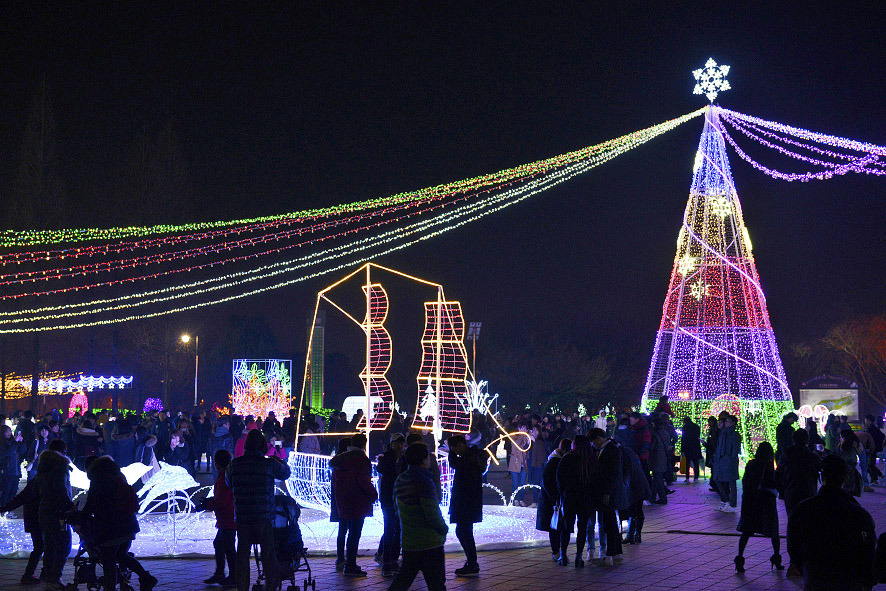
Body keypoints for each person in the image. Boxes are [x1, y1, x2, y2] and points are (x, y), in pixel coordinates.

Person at [787, 455, 876, 591]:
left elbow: (793, 545)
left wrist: (806, 567)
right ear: (845, 478)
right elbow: (868, 549)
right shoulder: (858, 513)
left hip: (815, 575)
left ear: (822, 477)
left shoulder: (803, 509)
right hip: (849, 577)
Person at [225, 429, 291, 591]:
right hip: (264, 516)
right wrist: (278, 459)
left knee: (242, 555)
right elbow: (286, 474)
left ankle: (242, 586)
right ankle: (271, 586)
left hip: (243, 516)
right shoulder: (268, 464)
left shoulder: (235, 464)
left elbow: (229, 483)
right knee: (268, 554)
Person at [80, 456, 157, 591]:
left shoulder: (98, 481)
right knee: (121, 555)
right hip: (129, 525)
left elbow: (90, 506)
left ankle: (110, 588)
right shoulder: (119, 478)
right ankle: (146, 578)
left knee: (108, 561)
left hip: (111, 528)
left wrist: (79, 518)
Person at [387, 443, 448, 591]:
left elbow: (396, 509)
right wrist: (443, 528)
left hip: (409, 540)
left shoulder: (400, 480)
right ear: (424, 460)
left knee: (403, 580)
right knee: (437, 583)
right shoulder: (424, 482)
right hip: (430, 542)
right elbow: (432, 511)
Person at [329, 432, 377, 577]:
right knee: (355, 534)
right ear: (364, 444)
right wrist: (373, 495)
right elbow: (363, 481)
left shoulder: (339, 460)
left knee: (346, 532)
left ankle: (345, 562)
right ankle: (351, 564)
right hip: (358, 501)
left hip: (343, 501)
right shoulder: (361, 460)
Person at [734, 442, 781, 572]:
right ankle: (776, 558)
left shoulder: (751, 464)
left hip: (750, 501)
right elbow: (772, 483)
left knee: (747, 532)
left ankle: (739, 559)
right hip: (766, 502)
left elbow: (745, 481)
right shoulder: (768, 465)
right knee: (773, 531)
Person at [36, 447, 74, 591]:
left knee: (50, 546)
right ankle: (55, 578)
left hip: (44, 512)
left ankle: (49, 578)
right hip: (59, 515)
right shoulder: (60, 470)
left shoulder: (42, 473)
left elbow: (36, 492)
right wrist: (70, 507)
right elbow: (61, 491)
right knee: (64, 546)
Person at [556, 434, 597, 567]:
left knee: (566, 527)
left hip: (570, 497)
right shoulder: (591, 459)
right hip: (586, 498)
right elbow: (598, 479)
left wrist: (563, 493)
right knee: (582, 527)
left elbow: (560, 478)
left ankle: (563, 555)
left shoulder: (568, 457)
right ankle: (579, 557)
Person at [447, 434, 485, 577]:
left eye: (454, 448)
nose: (455, 452)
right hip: (468, 501)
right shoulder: (471, 457)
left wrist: (451, 454)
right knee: (463, 531)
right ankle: (471, 562)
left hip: (466, 501)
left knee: (464, 531)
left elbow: (456, 465)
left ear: (461, 445)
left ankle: (472, 563)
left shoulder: (470, 458)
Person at [0, 472, 43, 584]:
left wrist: (5, 508)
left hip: (36, 519)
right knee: (41, 546)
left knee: (41, 546)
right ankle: (31, 574)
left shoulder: (38, 480)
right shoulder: (41, 481)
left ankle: (34, 574)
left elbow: (21, 497)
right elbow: (22, 498)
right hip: (38, 519)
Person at [588, 428, 623, 565]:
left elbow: (612, 474)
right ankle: (616, 553)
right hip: (609, 491)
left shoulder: (611, 450)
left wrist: (607, 493)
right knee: (611, 522)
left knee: (610, 523)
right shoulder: (610, 448)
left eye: (593, 442)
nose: (593, 445)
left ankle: (611, 554)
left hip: (609, 492)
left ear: (598, 439)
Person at [203, 449, 236, 586]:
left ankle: (232, 576)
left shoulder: (223, 478)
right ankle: (221, 573)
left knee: (228, 547)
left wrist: (208, 505)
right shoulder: (228, 475)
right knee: (220, 544)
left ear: (216, 464)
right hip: (228, 518)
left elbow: (221, 502)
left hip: (227, 519)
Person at [376, 434, 405, 577]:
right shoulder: (386, 458)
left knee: (398, 530)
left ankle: (393, 559)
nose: (399, 446)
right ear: (391, 444)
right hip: (388, 499)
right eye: (396, 443)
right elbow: (382, 470)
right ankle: (387, 562)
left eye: (401, 443)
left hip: (401, 499)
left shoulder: (405, 459)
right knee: (389, 530)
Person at [536, 438, 570, 560]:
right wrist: (556, 498)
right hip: (553, 501)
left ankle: (558, 552)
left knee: (558, 526)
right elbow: (548, 482)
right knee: (555, 526)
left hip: (556, 499)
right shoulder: (554, 462)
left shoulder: (556, 460)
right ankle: (556, 551)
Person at [774, 428, 821, 516]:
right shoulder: (812, 456)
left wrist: (782, 492)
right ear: (807, 440)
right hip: (809, 492)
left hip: (791, 491)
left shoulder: (786, 455)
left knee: (792, 520)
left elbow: (778, 475)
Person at [620, 441, 651, 545]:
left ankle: (631, 535)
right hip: (640, 485)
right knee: (637, 510)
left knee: (633, 510)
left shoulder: (621, 455)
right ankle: (636, 535)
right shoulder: (629, 453)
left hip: (633, 486)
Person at [713, 415, 740, 512]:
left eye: (728, 421)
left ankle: (730, 504)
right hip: (721, 460)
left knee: (730, 482)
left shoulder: (733, 434)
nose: (726, 423)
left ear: (733, 423)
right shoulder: (723, 432)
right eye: (726, 421)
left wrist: (731, 459)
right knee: (718, 480)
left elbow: (735, 449)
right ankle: (726, 501)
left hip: (728, 461)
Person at [0, 424, 26, 505]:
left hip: (16, 470)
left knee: (13, 492)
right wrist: (15, 442)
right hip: (7, 471)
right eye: (6, 431)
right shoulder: (2, 443)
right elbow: (6, 453)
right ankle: (3, 511)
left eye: (10, 431)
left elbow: (23, 452)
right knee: (6, 492)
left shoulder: (13, 442)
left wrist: (21, 442)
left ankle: (8, 511)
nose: (9, 433)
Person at [649, 417, 671, 505]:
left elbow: (651, 447)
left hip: (656, 459)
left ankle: (663, 498)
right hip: (664, 458)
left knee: (658, 479)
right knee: (657, 479)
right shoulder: (665, 432)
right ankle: (653, 497)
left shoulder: (655, 434)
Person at [507, 427, 531, 506]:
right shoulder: (514, 436)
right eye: (522, 428)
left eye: (525, 428)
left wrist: (527, 437)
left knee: (522, 484)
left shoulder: (527, 437)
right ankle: (515, 499)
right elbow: (516, 445)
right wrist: (522, 435)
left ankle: (521, 499)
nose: (524, 430)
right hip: (515, 463)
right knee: (515, 483)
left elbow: (528, 447)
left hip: (523, 464)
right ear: (518, 428)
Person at [838, 429, 863, 497]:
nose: (840, 438)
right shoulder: (852, 444)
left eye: (841, 437)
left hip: (847, 465)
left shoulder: (846, 446)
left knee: (847, 483)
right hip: (851, 465)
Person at [680, 417, 703, 483]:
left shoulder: (685, 427)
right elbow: (697, 436)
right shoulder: (696, 427)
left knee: (687, 463)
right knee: (696, 463)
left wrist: (682, 450)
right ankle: (696, 477)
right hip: (695, 447)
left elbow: (683, 439)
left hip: (687, 447)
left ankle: (687, 478)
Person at [704, 416, 720, 490]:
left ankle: (714, 484)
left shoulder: (714, 431)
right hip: (712, 451)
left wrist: (706, 444)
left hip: (712, 451)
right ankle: (714, 484)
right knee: (713, 468)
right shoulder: (713, 430)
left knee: (714, 468)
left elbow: (712, 443)